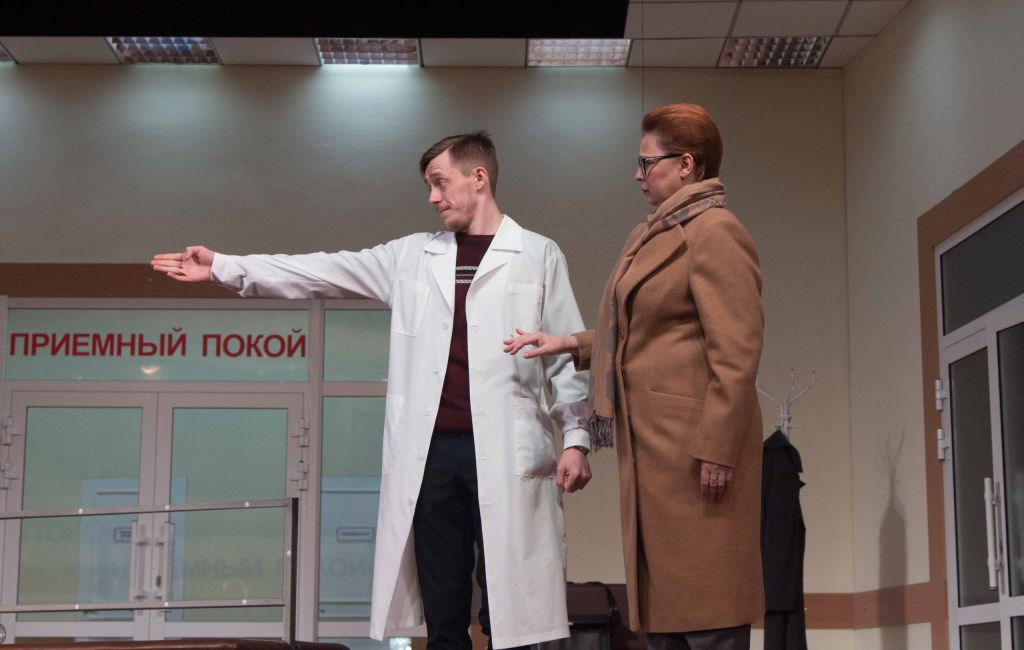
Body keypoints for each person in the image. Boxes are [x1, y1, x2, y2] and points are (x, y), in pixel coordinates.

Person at [151, 131, 593, 650]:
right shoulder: (410, 256)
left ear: (479, 178)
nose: (432, 198)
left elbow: (566, 352)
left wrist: (576, 438)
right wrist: (225, 267)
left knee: (510, 610)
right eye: (428, 187)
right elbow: (318, 270)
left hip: (509, 449)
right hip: (431, 456)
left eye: (439, 183)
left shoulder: (537, 254)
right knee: (443, 608)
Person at [504, 104, 764, 649]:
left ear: (686, 164)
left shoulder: (715, 232)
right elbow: (640, 332)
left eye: (647, 163)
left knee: (709, 614)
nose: (637, 174)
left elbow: (737, 354)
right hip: (656, 452)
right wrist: (569, 343)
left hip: (695, 453)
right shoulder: (656, 234)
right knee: (667, 618)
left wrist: (718, 448)